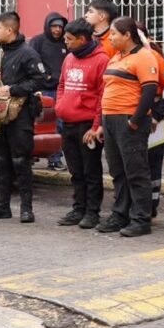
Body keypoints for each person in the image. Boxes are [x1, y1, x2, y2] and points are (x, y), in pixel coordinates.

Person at [0, 11, 48, 224]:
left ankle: (26, 209)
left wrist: (13, 89)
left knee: (20, 161)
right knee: (0, 160)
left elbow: (40, 80)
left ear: (10, 30)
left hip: (21, 115)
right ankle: (1, 207)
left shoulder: (28, 53)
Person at [91, 17, 159, 237]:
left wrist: (135, 121)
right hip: (110, 120)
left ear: (127, 35)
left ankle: (141, 219)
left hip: (129, 119)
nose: (110, 38)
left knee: (136, 171)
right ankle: (120, 214)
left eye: (113, 34)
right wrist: (102, 124)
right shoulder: (116, 57)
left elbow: (149, 91)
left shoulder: (144, 56)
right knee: (118, 171)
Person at [54, 18, 108, 229]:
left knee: (90, 170)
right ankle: (78, 208)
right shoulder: (69, 58)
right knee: (75, 170)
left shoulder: (101, 60)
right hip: (68, 122)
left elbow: (103, 96)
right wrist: (60, 106)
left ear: (82, 39)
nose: (65, 42)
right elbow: (61, 85)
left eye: (69, 39)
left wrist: (95, 127)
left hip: (87, 125)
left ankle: (92, 212)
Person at [136, 21, 164, 218]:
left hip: (151, 116)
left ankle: (150, 207)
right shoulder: (120, 57)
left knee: (152, 163)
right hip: (128, 113)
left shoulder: (153, 57)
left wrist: (156, 115)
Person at [29, 12, 69, 170]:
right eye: (54, 26)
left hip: (63, 90)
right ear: (47, 26)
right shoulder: (38, 41)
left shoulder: (65, 42)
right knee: (50, 125)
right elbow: (32, 61)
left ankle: (58, 157)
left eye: (60, 26)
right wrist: (45, 76)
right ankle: (54, 159)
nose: (57, 30)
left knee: (63, 125)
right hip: (45, 91)